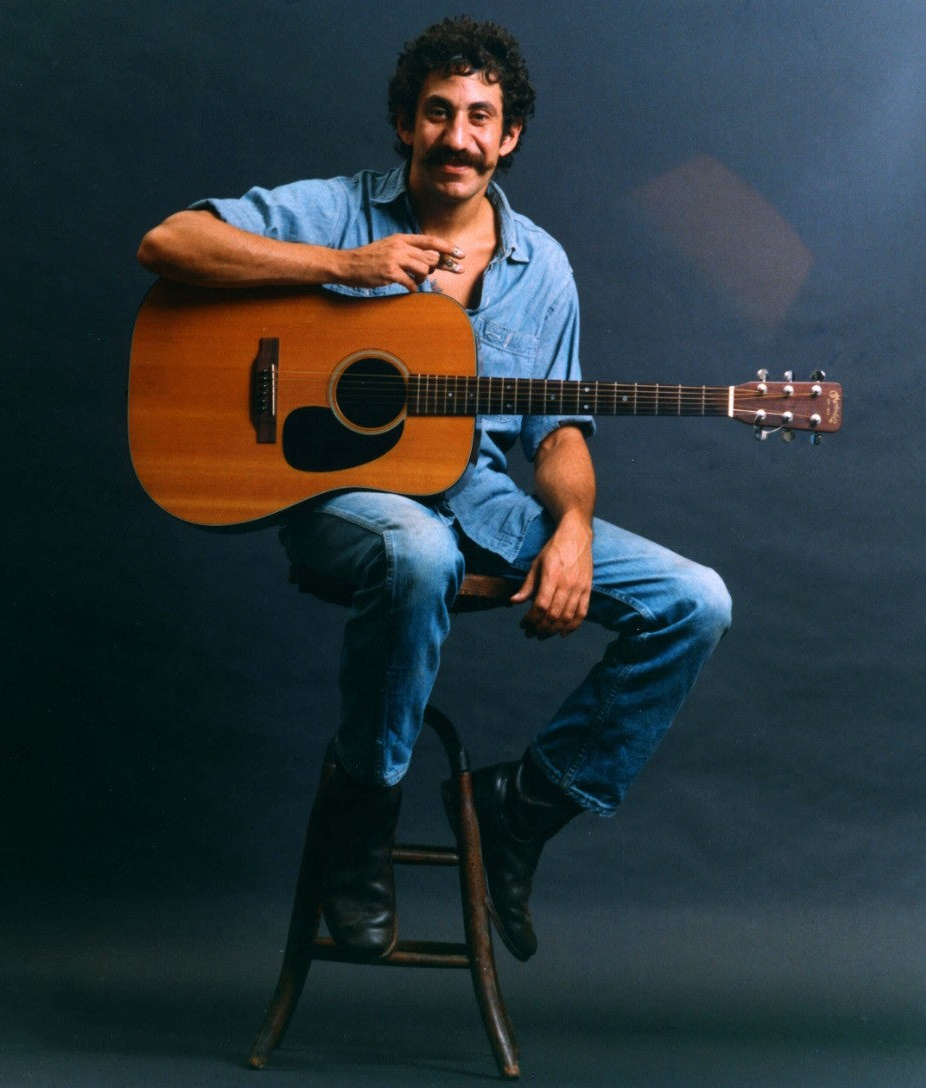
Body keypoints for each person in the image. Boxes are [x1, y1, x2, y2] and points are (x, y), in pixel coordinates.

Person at [137, 16, 731, 964]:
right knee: (419, 551)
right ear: (407, 123)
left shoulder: (542, 269)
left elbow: (560, 424)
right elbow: (169, 243)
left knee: (695, 601)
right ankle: (362, 811)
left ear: (509, 137)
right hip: (341, 505)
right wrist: (342, 268)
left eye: (480, 118)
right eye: (438, 112)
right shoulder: (339, 211)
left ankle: (525, 806)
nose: (458, 136)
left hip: (484, 503)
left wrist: (571, 522)